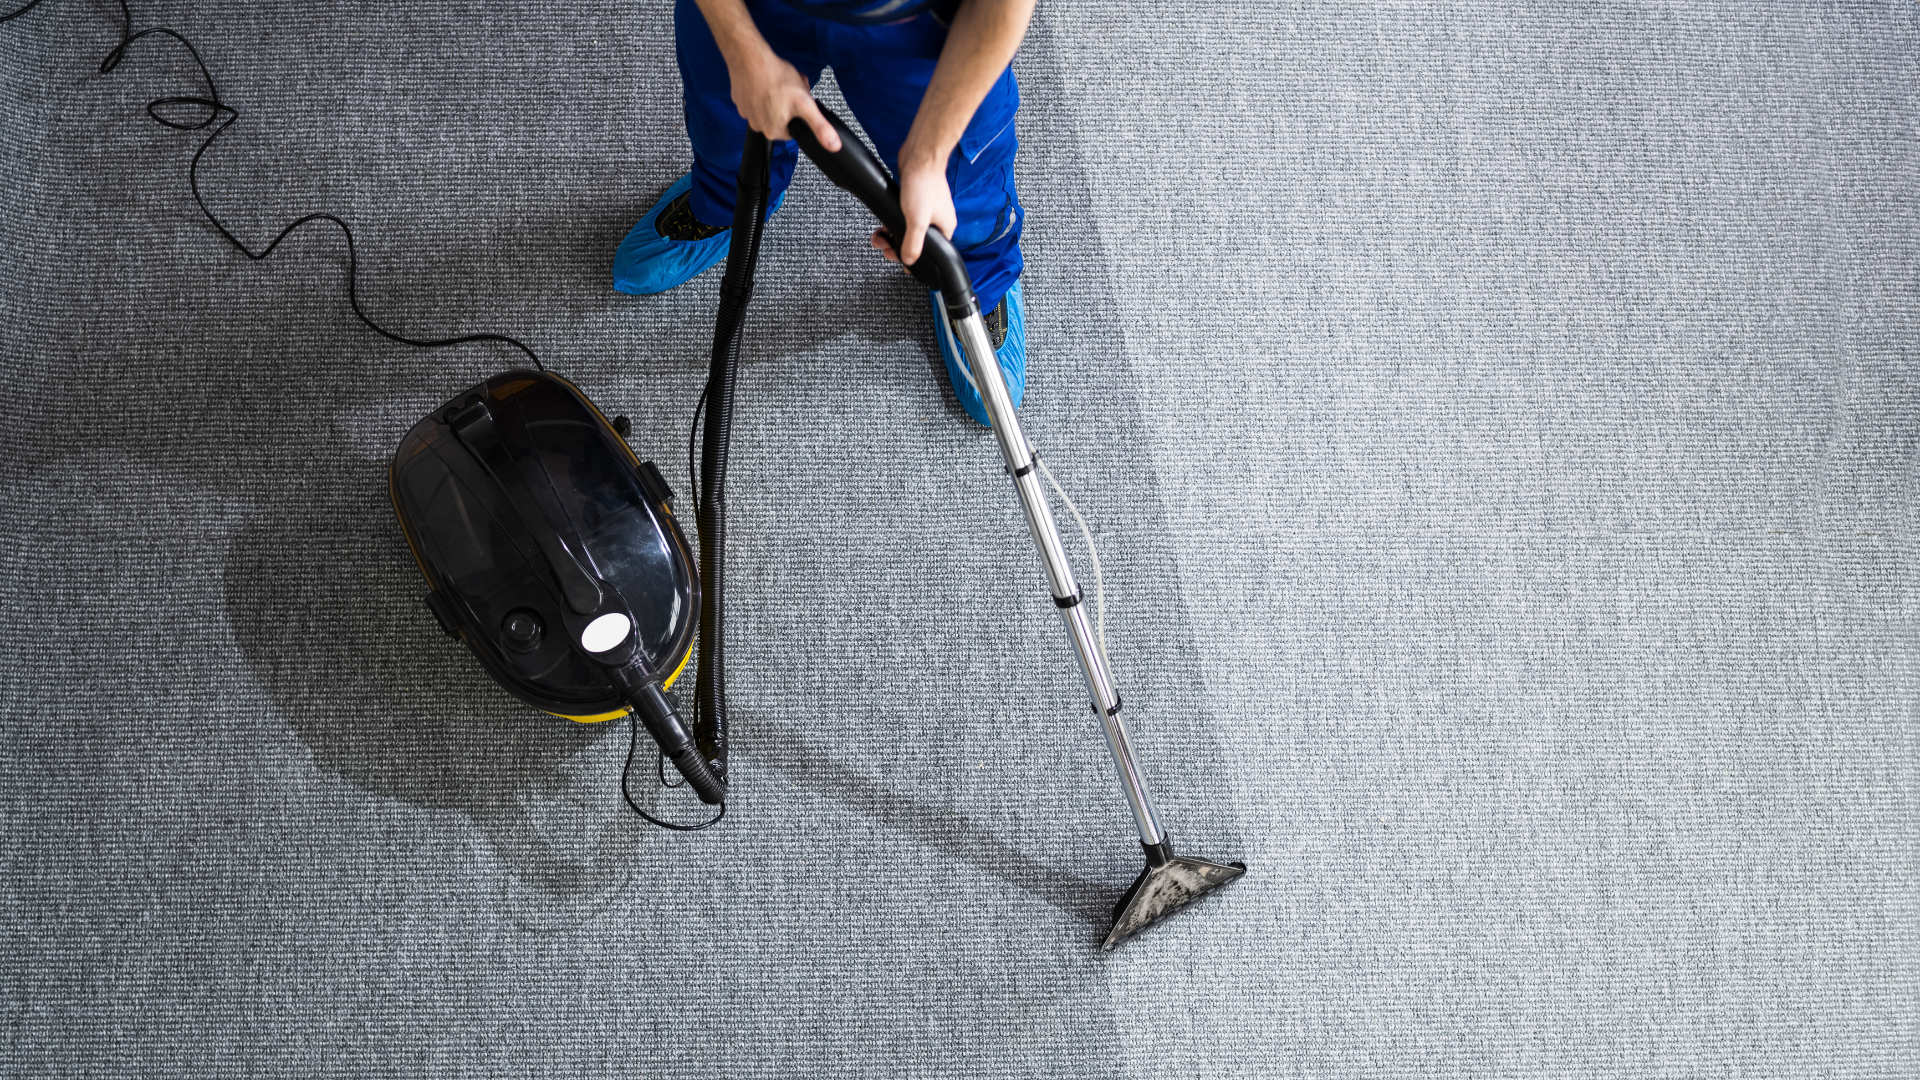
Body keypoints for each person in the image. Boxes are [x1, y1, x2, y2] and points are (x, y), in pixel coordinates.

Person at [612, 0, 1034, 426]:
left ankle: (973, 274)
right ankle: (725, 205)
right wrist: (741, 47)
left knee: (962, 188)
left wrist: (928, 155)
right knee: (729, 128)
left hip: (920, 21)